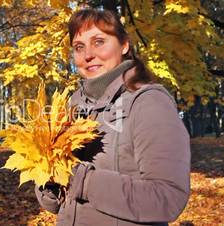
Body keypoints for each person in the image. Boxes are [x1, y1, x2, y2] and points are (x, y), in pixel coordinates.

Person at [35, 8, 191, 226]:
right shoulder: (73, 105)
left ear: (124, 45)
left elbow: (167, 197)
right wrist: (48, 181)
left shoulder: (148, 102)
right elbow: (59, 204)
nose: (88, 54)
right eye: (79, 47)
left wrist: (83, 181)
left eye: (99, 42)